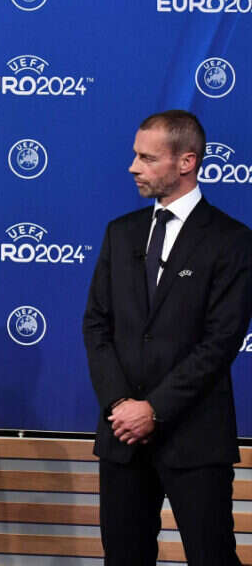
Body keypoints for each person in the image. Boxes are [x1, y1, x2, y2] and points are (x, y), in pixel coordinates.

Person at [83, 110, 252, 565]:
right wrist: (121, 404)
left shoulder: (232, 241)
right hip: (123, 437)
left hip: (195, 438)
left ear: (186, 162)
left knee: (212, 556)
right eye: (135, 155)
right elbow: (96, 325)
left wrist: (153, 409)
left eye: (147, 158)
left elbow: (221, 342)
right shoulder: (121, 233)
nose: (132, 167)